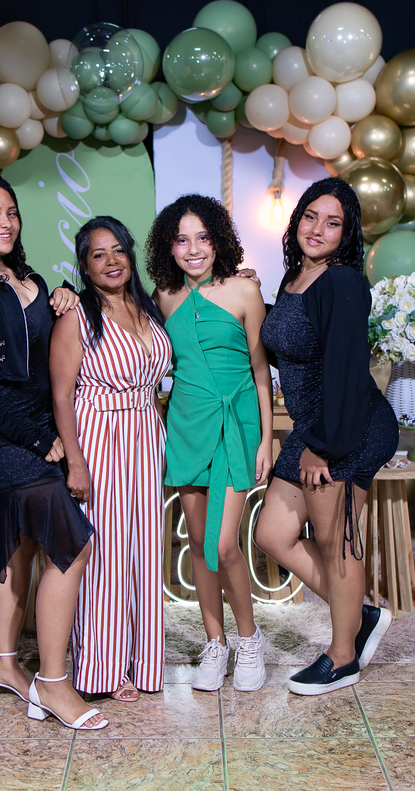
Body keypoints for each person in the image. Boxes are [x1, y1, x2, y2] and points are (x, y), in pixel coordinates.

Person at [0, 174, 107, 731]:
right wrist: (38, 438)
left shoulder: (29, 278)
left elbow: (44, 349)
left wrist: (65, 296)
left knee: (17, 540)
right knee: (71, 544)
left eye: (10, 211)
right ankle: (52, 683)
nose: (5, 222)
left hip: (36, 428)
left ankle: (1, 661)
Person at [254, 177, 397, 696]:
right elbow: (294, 340)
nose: (317, 229)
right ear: (297, 221)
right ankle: (359, 615)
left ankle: (342, 657)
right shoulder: (297, 276)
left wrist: (323, 445)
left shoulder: (341, 281)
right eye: (310, 216)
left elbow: (345, 369)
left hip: (345, 427)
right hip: (313, 427)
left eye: (332, 223)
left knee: (337, 544)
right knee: (272, 535)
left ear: (347, 233)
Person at [145, 195, 274, 693]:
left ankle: (249, 638)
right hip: (186, 425)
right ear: (169, 247)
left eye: (202, 237)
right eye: (182, 240)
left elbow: (261, 373)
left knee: (223, 544)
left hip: (236, 425)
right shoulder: (163, 297)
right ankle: (215, 643)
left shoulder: (244, 290)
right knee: (198, 545)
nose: (193, 248)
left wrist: (266, 439)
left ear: (218, 241)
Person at [50, 217, 172, 702]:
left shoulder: (149, 306)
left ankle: (143, 661)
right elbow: (62, 395)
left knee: (145, 551)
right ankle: (102, 669)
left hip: (145, 435)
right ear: (84, 266)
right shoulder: (77, 316)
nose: (111, 261)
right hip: (99, 436)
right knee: (104, 554)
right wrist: (76, 462)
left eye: (118, 250)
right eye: (98, 254)